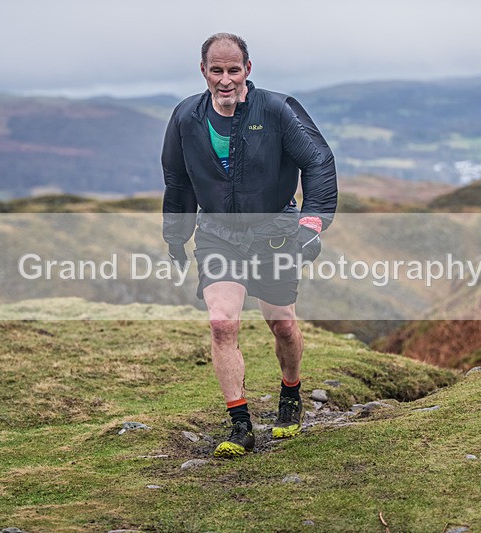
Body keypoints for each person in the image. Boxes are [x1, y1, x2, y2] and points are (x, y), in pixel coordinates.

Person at [161, 33, 337, 458]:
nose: (225, 79)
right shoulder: (187, 116)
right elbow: (178, 180)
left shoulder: (275, 110)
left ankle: (290, 394)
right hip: (219, 234)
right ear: (203, 70)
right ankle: (240, 426)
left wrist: (311, 226)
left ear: (248, 70)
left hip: (275, 232)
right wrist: (175, 235)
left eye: (233, 70)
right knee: (222, 323)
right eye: (216, 70)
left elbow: (317, 162)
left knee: (282, 325)